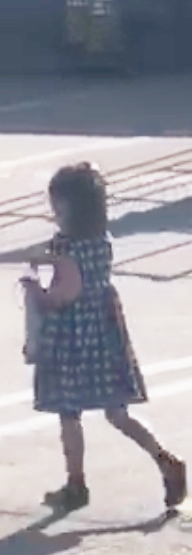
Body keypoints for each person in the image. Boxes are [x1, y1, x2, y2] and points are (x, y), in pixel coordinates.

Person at [21, 162, 186, 513]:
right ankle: (165, 460)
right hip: (105, 334)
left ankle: (76, 483)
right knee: (117, 411)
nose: (55, 214)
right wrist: (47, 256)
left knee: (68, 411)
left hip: (74, 339)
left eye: (59, 208)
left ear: (72, 210)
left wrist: (35, 291)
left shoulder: (69, 253)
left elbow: (63, 296)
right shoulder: (100, 240)